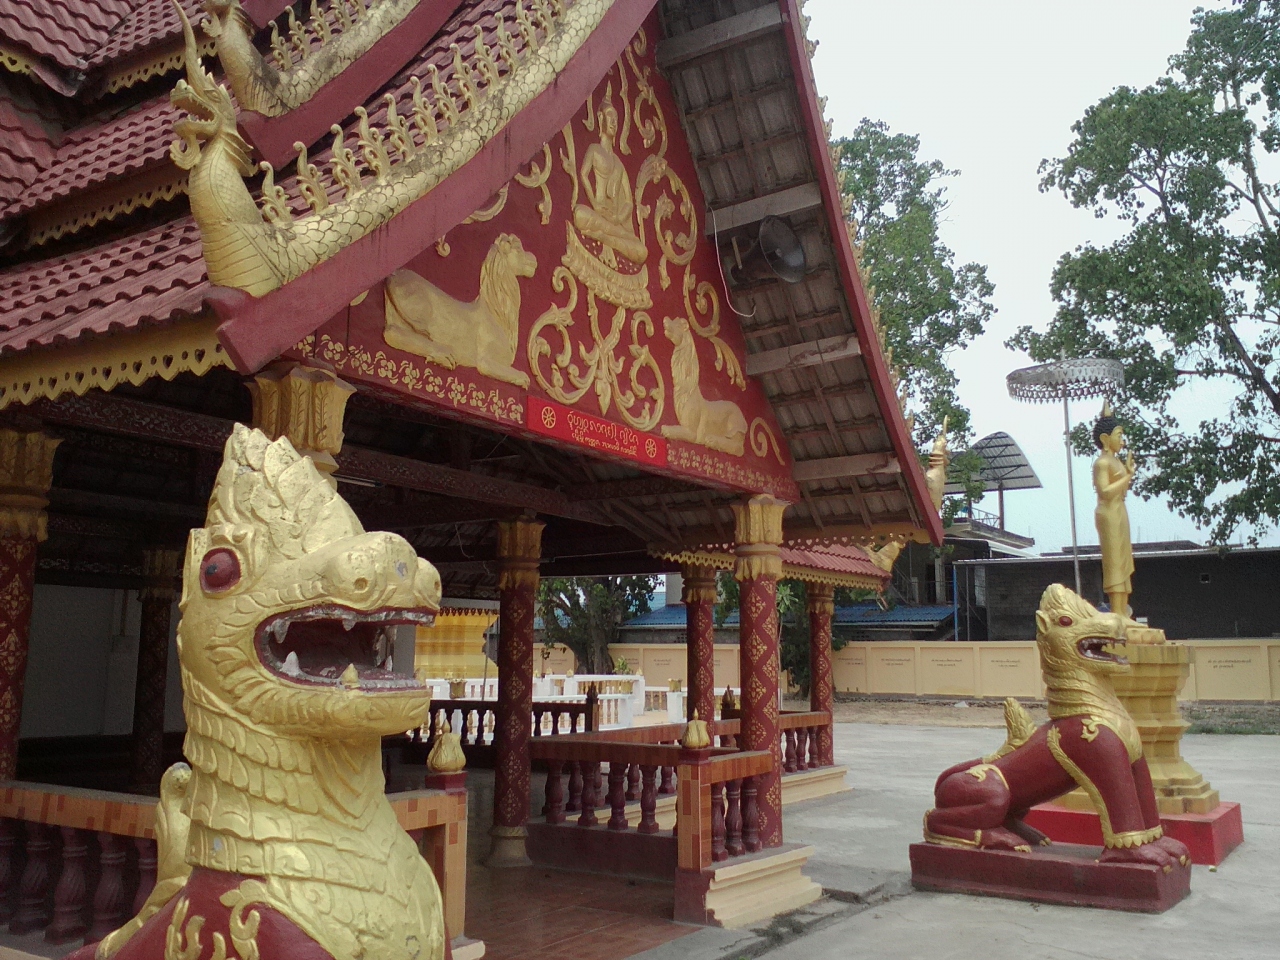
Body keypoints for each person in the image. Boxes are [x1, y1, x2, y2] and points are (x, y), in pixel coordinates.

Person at [1092, 401, 1135, 619]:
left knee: (1125, 561)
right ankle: (1116, 611)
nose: (1122, 440)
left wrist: (1126, 472)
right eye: (1119, 435)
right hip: (1108, 514)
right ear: (1105, 439)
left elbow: (1121, 491)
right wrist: (1128, 476)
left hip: (1120, 511)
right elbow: (1105, 491)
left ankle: (1123, 612)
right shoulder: (1102, 463)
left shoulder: (1115, 462)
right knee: (1115, 562)